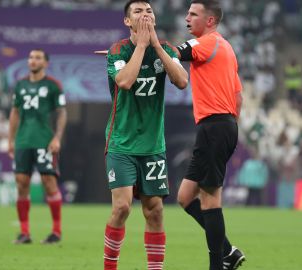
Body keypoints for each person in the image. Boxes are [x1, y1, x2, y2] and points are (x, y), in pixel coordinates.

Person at [102, 1, 188, 269]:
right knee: (122, 208)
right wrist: (141, 45)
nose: (145, 15)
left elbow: (182, 81)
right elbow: (125, 82)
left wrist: (157, 47)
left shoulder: (168, 49)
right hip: (122, 142)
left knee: (155, 210)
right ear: (128, 21)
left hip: (152, 145)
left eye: (149, 11)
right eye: (138, 12)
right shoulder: (118, 50)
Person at [175, 1, 245, 269]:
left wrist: (142, 45)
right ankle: (228, 250)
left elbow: (173, 53)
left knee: (209, 198)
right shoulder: (226, 48)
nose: (187, 18)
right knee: (185, 197)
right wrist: (229, 125)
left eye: (193, 14)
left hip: (214, 126)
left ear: (210, 21)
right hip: (220, 125)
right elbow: (238, 97)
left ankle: (217, 265)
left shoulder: (206, 43)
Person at [8, 49, 67, 244]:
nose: (33, 61)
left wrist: (57, 137)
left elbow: (61, 113)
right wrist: (10, 139)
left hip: (44, 140)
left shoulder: (53, 86)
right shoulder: (20, 85)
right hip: (23, 141)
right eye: (31, 57)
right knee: (21, 183)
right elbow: (15, 112)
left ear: (46, 63)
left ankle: (56, 232)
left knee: (49, 183)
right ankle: (25, 232)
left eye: (38, 58)